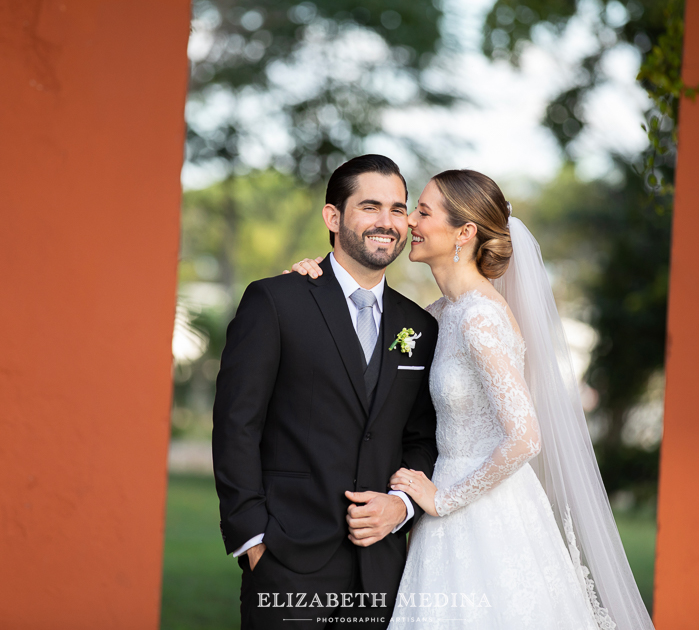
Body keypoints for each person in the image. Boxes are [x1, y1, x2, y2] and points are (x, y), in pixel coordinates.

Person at [289, 169, 656, 629]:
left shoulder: (480, 319)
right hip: (439, 509)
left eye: (422, 211)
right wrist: (311, 284)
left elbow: (524, 437)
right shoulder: (438, 315)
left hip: (482, 517)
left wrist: (443, 500)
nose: (410, 223)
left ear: (464, 233)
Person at [212, 154, 439, 630]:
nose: (387, 222)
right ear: (333, 217)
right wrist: (253, 540)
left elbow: (421, 437)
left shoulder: (419, 325)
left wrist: (400, 507)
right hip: (286, 562)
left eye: (398, 209)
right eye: (370, 206)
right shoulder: (275, 301)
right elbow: (237, 425)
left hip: (381, 572)